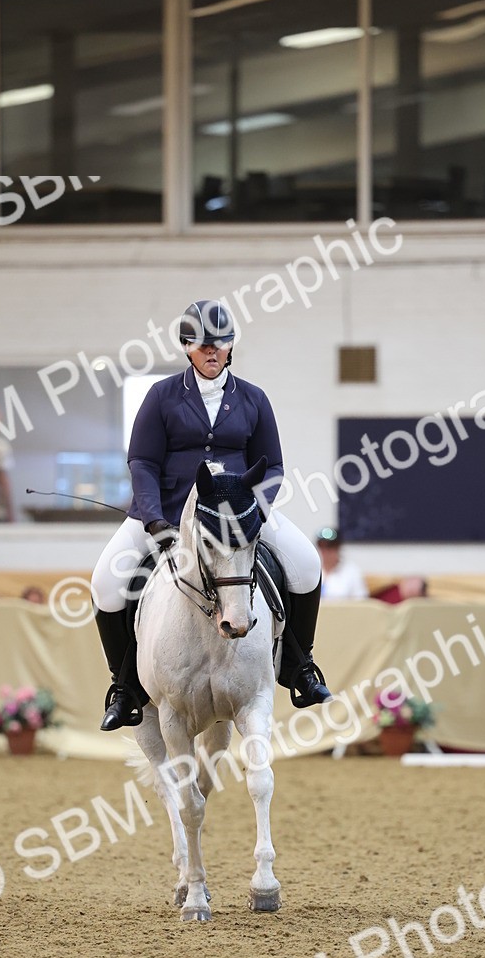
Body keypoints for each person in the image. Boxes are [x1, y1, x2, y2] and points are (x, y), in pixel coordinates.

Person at [91, 298, 333, 731]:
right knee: (106, 583)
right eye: (202, 345)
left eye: (219, 344)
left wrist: (255, 511)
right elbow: (142, 463)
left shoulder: (253, 399)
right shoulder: (161, 396)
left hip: (237, 514)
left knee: (307, 563)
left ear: (230, 348)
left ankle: (300, 666)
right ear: (186, 347)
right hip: (165, 512)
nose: (211, 352)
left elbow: (273, 466)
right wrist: (153, 520)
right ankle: (125, 686)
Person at [316, 527, 368, 600]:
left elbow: (361, 601)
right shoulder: (314, 571)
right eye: (322, 546)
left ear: (338, 547)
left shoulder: (352, 571)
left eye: (330, 546)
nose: (326, 551)